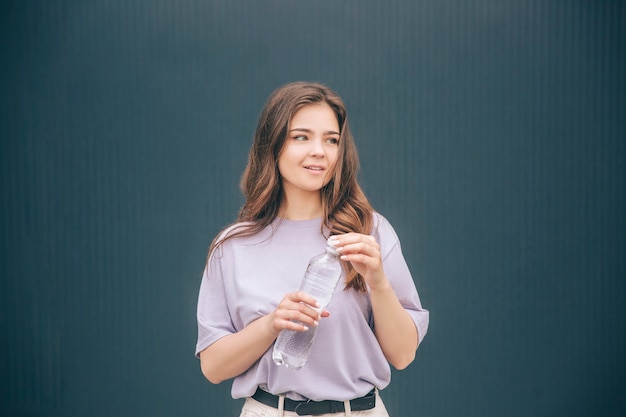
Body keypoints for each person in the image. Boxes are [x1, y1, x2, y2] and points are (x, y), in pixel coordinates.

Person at [195, 81, 429, 417]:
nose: (319, 151)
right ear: (272, 145)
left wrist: (377, 281)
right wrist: (272, 324)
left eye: (331, 140)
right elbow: (213, 368)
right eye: (301, 136)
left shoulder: (370, 232)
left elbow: (404, 355)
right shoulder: (232, 247)